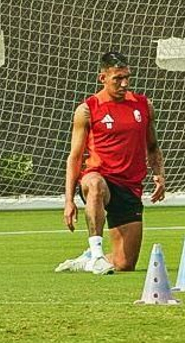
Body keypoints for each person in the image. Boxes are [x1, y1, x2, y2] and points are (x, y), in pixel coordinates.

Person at [56, 52, 166, 275]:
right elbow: (75, 157)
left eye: (127, 77)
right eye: (118, 78)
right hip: (99, 177)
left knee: (125, 264)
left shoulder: (144, 106)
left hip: (130, 186)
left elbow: (153, 146)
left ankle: (88, 260)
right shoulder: (87, 109)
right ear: (103, 78)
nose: (124, 83)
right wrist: (68, 201)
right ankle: (96, 254)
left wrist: (159, 174)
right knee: (95, 184)